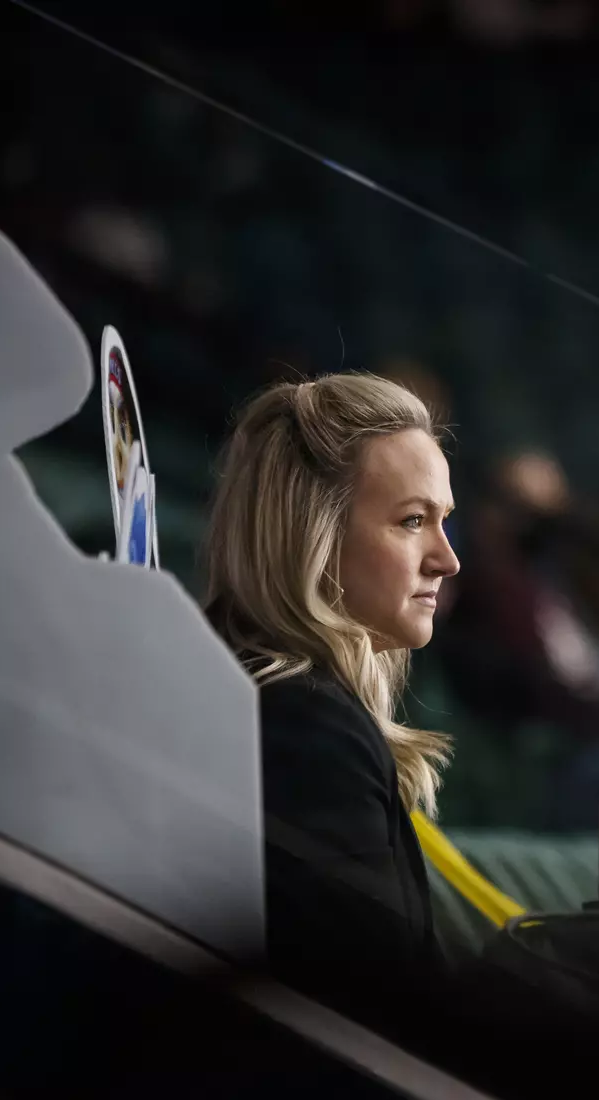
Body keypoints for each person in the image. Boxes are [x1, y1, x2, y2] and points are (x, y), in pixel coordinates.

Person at [201, 372, 460, 1005]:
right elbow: (370, 1015)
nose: (447, 559)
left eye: (443, 521)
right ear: (314, 535)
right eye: (411, 521)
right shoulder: (307, 730)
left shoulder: (287, 699)